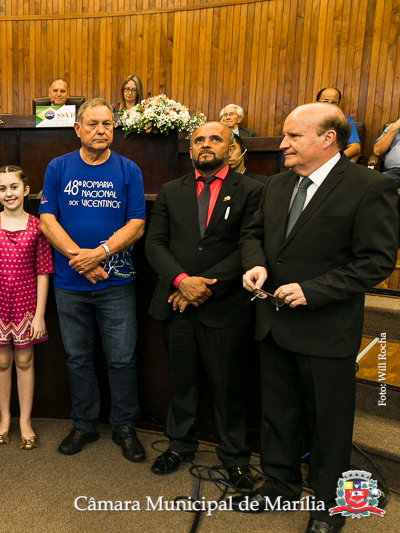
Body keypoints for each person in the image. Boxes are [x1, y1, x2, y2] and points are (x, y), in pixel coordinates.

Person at [235, 103, 398, 533]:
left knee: (328, 426)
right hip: (273, 324)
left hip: (326, 330)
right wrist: (255, 264)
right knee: (278, 415)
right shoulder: (276, 185)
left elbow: (376, 261)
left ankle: (329, 506)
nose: (282, 144)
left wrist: (314, 290)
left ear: (328, 138)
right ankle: (280, 485)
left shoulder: (368, 187)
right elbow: (252, 235)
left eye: (292, 136)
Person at [145, 122, 262, 492]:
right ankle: (179, 445)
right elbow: (155, 243)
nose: (206, 145)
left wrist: (203, 285)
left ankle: (235, 458)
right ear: (190, 149)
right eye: (199, 140)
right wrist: (182, 281)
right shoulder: (171, 191)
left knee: (229, 387)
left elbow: (249, 245)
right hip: (177, 305)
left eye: (215, 139)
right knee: (181, 381)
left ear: (231, 148)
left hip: (226, 306)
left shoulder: (253, 190)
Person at [38, 99, 147, 462]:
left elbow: (137, 224)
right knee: (77, 358)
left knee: (122, 359)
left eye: (107, 124)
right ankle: (84, 424)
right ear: (78, 129)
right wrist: (81, 261)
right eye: (93, 124)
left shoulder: (128, 169)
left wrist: (99, 253)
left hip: (116, 284)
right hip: (70, 284)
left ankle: (124, 426)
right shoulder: (58, 167)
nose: (101, 130)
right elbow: (47, 220)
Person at [0, 166, 54, 450]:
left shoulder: (38, 226)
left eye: (14, 187)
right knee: (2, 362)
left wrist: (40, 315)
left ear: (26, 190)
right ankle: (5, 419)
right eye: (2, 188)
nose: (9, 193)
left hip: (27, 306)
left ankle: (25, 422)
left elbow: (43, 272)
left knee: (24, 361)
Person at [315, 87, 361, 160]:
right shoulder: (306, 119)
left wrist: (335, 159)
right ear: (317, 102)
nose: (329, 105)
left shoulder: (346, 121)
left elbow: (355, 147)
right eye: (325, 101)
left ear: (338, 104)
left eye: (334, 102)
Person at [372, 116, 400, 187]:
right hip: (394, 172)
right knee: (375, 185)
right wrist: (394, 128)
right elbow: (378, 151)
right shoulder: (393, 127)